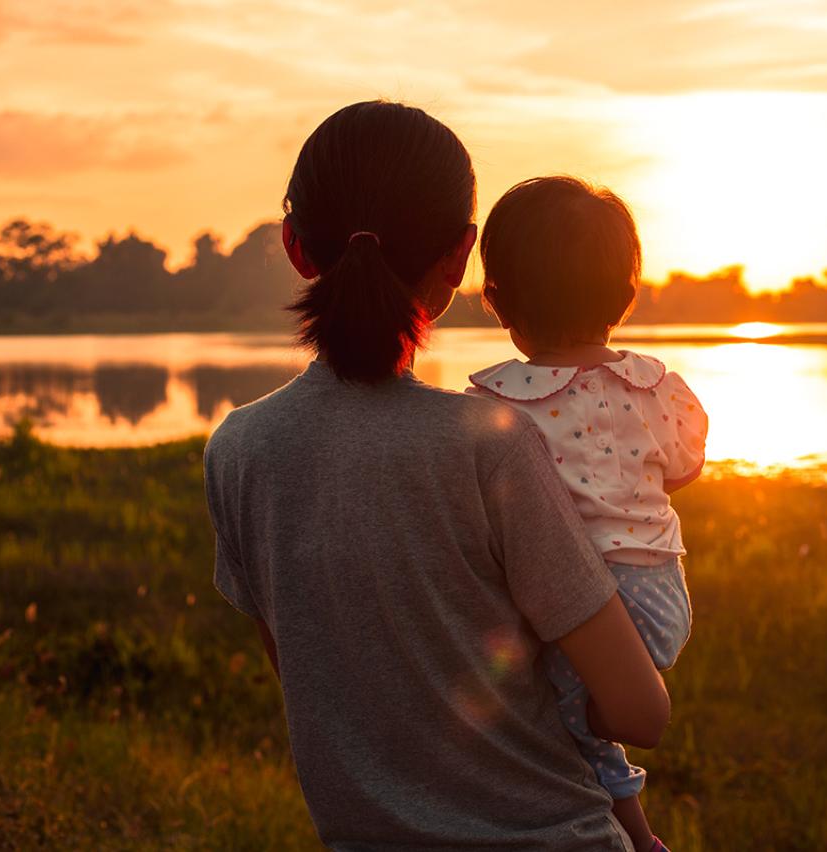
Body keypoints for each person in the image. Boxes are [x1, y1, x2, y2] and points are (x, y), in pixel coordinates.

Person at [203, 101, 668, 851]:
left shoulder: (238, 450)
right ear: (460, 258)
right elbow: (639, 714)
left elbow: (316, 685)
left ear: (294, 246)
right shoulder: (492, 445)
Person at [468, 176, 708, 852]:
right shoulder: (658, 385)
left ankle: (636, 836)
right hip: (664, 597)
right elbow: (684, 469)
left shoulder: (497, 405)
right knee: (572, 720)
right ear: (624, 294)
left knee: (564, 727)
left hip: (588, 603)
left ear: (496, 299)